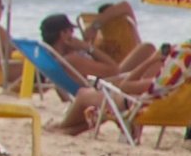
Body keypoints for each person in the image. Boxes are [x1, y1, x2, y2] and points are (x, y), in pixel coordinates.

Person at [52, 44, 189, 135]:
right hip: (177, 113)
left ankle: (63, 127)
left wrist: (152, 60)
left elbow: (126, 85)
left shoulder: (171, 82)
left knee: (83, 94)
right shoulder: (184, 85)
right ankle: (66, 130)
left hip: (140, 107)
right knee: (102, 107)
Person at [41, 13, 156, 84]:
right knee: (148, 50)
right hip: (108, 85)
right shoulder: (72, 60)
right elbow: (113, 70)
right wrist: (87, 48)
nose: (73, 34)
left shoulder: (52, 56)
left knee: (147, 50)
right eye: (71, 31)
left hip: (102, 82)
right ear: (63, 34)